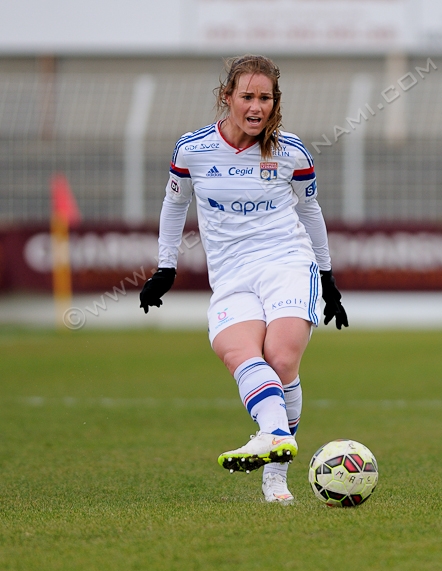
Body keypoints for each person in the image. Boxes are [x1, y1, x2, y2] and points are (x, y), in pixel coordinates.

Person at [138, 55, 348, 503]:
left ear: (275, 103)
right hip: (231, 276)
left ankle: (274, 476)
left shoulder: (291, 152)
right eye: (247, 96)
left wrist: (327, 277)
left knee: (281, 358)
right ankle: (273, 431)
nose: (256, 106)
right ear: (226, 97)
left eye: (265, 98)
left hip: (287, 263)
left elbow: (310, 211)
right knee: (237, 352)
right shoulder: (192, 150)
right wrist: (165, 266)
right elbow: (174, 206)